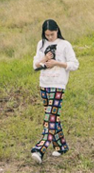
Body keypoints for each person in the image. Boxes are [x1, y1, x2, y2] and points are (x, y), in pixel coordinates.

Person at [31, 19, 79, 164]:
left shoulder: (65, 45)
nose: (50, 37)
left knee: (50, 118)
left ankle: (40, 149)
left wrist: (57, 63)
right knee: (53, 117)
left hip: (58, 84)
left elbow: (74, 64)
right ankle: (61, 146)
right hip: (44, 84)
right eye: (47, 35)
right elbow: (35, 65)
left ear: (57, 30)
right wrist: (45, 59)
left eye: (52, 34)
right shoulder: (41, 44)